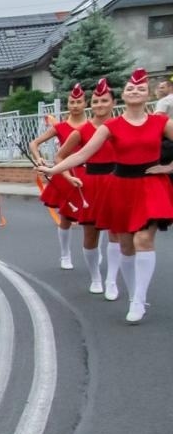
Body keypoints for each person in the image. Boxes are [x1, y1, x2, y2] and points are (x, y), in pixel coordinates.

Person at [41, 68, 173, 323]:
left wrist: (169, 167)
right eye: (130, 89)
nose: (135, 92)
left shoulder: (160, 122)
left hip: (151, 185)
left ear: (148, 95)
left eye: (141, 89)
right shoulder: (111, 126)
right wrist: (53, 169)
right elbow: (82, 155)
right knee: (125, 245)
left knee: (143, 240)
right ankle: (133, 292)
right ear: (124, 94)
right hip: (121, 186)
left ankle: (138, 300)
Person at [29, 84, 92, 270]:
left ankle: (93, 251)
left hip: (89, 173)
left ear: (85, 103)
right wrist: (39, 158)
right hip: (66, 173)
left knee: (94, 216)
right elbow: (34, 142)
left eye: (79, 102)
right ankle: (65, 254)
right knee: (66, 216)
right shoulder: (61, 126)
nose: (75, 105)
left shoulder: (93, 126)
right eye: (72, 102)